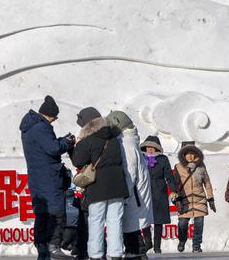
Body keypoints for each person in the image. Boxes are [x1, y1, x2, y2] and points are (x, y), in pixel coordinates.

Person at [21, 95, 75, 260]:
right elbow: (52, 148)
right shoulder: (41, 128)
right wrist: (67, 143)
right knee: (56, 213)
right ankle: (53, 248)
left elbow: (47, 146)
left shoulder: (31, 127)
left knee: (42, 215)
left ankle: (43, 250)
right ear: (50, 114)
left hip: (38, 179)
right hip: (49, 179)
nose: (54, 121)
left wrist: (61, 140)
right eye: (55, 117)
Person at [72, 106, 128, 260]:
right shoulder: (115, 138)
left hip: (97, 187)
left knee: (96, 220)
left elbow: (78, 161)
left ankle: (96, 254)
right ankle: (115, 254)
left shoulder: (88, 140)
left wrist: (75, 146)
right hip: (117, 185)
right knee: (115, 220)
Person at [107, 110, 152, 260]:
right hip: (135, 195)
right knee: (131, 228)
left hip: (132, 196)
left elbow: (130, 173)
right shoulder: (130, 141)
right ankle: (137, 251)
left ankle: (137, 252)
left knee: (131, 228)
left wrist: (123, 196)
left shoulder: (127, 145)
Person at [173, 142, 214, 254]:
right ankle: (182, 240)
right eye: (187, 154)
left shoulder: (201, 166)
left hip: (199, 199)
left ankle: (196, 245)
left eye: (192, 153)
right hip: (184, 200)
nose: (190, 156)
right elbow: (174, 183)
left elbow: (207, 183)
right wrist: (174, 195)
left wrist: (210, 198)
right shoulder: (178, 167)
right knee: (182, 223)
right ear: (183, 155)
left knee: (199, 224)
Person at [139, 136, 175, 254]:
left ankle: (157, 246)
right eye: (148, 147)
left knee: (158, 219)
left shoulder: (163, 159)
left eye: (153, 147)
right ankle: (148, 241)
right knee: (145, 218)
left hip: (159, 191)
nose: (150, 149)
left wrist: (173, 190)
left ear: (157, 148)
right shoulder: (141, 158)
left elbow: (169, 176)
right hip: (145, 191)